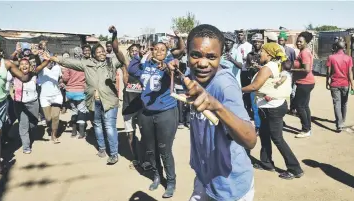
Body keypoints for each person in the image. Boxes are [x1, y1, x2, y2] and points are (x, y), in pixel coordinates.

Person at [171, 24, 257, 201]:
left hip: (229, 186)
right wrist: (174, 67)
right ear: (187, 54)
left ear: (220, 57)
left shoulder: (225, 86)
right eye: (196, 55)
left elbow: (250, 140)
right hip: (206, 177)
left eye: (211, 57)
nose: (202, 63)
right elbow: (185, 71)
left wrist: (218, 107)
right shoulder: (194, 73)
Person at [111, 26, 178, 198]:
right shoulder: (145, 65)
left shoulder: (168, 63)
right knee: (151, 149)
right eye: (156, 49)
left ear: (166, 51)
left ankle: (170, 182)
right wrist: (138, 56)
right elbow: (132, 69)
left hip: (166, 112)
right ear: (151, 50)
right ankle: (157, 176)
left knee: (164, 149)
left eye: (162, 49)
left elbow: (173, 66)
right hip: (146, 113)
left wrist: (168, 66)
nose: (159, 52)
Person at [47, 37, 124, 165]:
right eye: (98, 52)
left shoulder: (111, 63)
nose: (102, 54)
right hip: (94, 101)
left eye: (103, 51)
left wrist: (115, 37)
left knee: (110, 127)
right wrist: (54, 58)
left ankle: (114, 154)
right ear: (93, 55)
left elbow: (120, 57)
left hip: (110, 101)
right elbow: (69, 62)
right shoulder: (86, 64)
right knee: (98, 125)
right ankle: (102, 148)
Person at [242, 42, 303, 180]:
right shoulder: (276, 64)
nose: (260, 54)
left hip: (273, 108)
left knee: (277, 138)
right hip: (271, 106)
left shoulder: (268, 67)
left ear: (269, 54)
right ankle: (266, 163)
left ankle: (295, 168)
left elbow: (254, 86)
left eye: (262, 52)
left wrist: (237, 89)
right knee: (264, 133)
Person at [0, 37, 33, 174]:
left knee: (2, 127)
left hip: (3, 100)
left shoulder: (7, 63)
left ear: (0, 49)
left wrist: (34, 70)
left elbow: (23, 77)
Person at [122, 44, 144, 169]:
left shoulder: (145, 64)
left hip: (141, 105)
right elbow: (116, 50)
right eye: (132, 50)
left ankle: (145, 158)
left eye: (137, 50)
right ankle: (135, 158)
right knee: (130, 134)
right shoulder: (126, 64)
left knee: (145, 133)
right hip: (128, 104)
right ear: (129, 52)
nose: (135, 52)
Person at [326, 41, 354, 132]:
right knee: (344, 103)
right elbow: (350, 72)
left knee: (337, 104)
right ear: (344, 48)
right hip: (345, 84)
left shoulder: (331, 57)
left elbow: (328, 72)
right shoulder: (348, 58)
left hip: (334, 84)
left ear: (335, 47)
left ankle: (339, 124)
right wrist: (353, 86)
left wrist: (327, 82)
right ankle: (342, 120)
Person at [292, 31, 315, 138]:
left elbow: (306, 69)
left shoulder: (305, 52)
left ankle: (306, 129)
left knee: (299, 105)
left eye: (301, 42)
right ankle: (308, 128)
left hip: (305, 83)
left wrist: (292, 70)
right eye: (298, 41)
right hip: (306, 82)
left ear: (306, 42)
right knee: (304, 106)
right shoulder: (303, 51)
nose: (298, 43)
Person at [62, 52, 88, 139]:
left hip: (70, 92)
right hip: (80, 92)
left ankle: (73, 131)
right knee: (81, 111)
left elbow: (65, 78)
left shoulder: (69, 66)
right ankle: (81, 132)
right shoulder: (84, 65)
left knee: (74, 110)